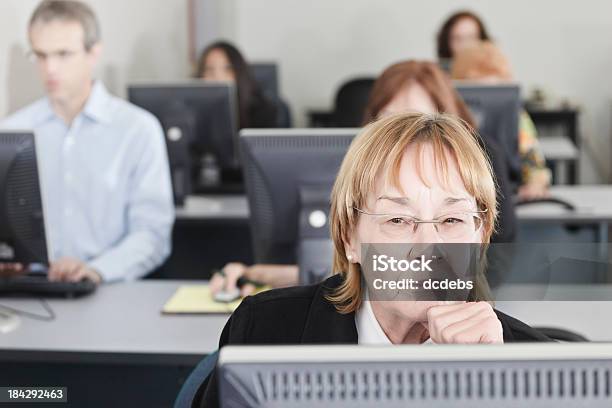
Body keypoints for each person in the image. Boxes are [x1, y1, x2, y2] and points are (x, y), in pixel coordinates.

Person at [195, 112, 550, 407]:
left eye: (452, 220)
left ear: (481, 237)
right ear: (350, 237)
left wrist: (492, 387)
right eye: (398, 220)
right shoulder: (264, 331)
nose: (429, 246)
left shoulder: (534, 368)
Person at [210, 60, 517, 297]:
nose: (404, 136)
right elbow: (348, 264)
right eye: (391, 120)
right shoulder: (362, 168)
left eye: (419, 121)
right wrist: (261, 274)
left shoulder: (481, 158)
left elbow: (495, 263)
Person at [0, 0, 174, 283]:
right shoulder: (13, 131)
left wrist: (97, 269)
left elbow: (152, 234)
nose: (50, 68)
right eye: (40, 55)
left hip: (110, 289)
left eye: (63, 54)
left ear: (93, 53)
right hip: (29, 293)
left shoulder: (137, 130)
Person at [451, 41, 552, 200]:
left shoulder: (518, 118)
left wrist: (536, 184)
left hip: (508, 198)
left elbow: (535, 164)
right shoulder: (446, 117)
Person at [197, 41, 278, 129]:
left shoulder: (263, 111)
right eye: (209, 69)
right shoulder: (194, 113)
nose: (218, 77)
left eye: (228, 68)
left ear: (239, 72)